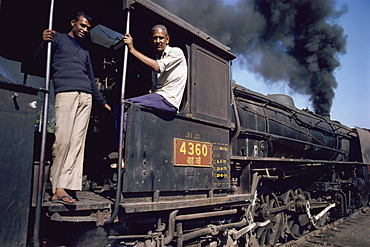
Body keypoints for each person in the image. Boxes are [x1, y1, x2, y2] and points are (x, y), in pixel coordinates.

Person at [34, 12, 111, 205]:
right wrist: (43, 43)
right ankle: (57, 188)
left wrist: (102, 102)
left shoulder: (85, 51)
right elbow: (37, 61)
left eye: (87, 28)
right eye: (82, 25)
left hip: (86, 98)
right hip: (66, 94)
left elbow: (91, 80)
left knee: (77, 144)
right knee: (63, 141)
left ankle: (69, 186)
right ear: (73, 23)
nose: (84, 30)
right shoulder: (57, 38)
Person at [122, 24, 187, 115]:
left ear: (167, 39)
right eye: (155, 38)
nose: (158, 41)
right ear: (150, 39)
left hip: (168, 100)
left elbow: (157, 67)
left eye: (161, 38)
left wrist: (132, 49)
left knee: (126, 106)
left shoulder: (176, 52)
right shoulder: (157, 58)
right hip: (158, 99)